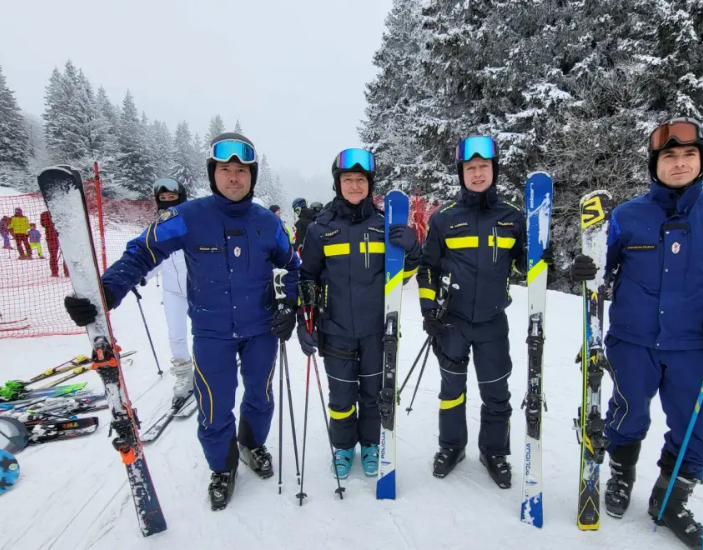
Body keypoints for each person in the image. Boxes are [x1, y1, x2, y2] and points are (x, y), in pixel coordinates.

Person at [62, 132, 300, 511]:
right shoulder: (188, 217)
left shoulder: (268, 224)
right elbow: (141, 252)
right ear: (213, 174)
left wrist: (290, 304)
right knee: (213, 404)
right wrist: (106, 290)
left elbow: (292, 267)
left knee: (261, 395)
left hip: (261, 329)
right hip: (211, 331)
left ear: (252, 176)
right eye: (226, 169)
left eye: (242, 170)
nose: (234, 177)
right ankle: (222, 467)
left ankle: (252, 444)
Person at [570, 117, 703, 548]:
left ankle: (671, 497)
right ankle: (621, 475)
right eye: (670, 156)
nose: (679, 164)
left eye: (688, 155)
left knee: (698, 427)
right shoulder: (626, 216)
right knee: (627, 414)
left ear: (702, 161)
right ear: (655, 164)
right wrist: (586, 268)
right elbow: (600, 269)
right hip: (633, 339)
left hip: (697, 345)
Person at [296, 148, 421, 478]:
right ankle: (342, 447)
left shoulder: (383, 226)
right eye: (347, 179)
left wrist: (412, 249)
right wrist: (304, 319)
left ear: (370, 184)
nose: (354, 185)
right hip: (335, 328)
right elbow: (306, 276)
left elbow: (402, 275)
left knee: (372, 395)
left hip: (376, 330)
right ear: (338, 184)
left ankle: (369, 443)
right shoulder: (320, 229)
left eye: (360, 179)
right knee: (341, 397)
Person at [417, 135, 527, 489]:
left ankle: (494, 451)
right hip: (453, 322)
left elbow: (529, 266)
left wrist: (546, 258)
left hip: (493, 321)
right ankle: (452, 446)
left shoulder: (512, 218)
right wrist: (428, 309)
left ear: (494, 170)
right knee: (452, 390)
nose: (477, 174)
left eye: (483, 167)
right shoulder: (445, 219)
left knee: (496, 392)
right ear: (461, 173)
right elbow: (428, 268)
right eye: (470, 168)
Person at [140, 178, 194, 403]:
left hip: (197, 287)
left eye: (172, 198)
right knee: (176, 335)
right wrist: (142, 276)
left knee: (204, 332)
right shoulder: (156, 229)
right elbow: (153, 257)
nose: (167, 203)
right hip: (172, 291)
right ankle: (184, 375)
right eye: (163, 199)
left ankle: (210, 368)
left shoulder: (192, 223)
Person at [40, 210, 68, 277]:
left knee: (65, 255)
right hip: (53, 237)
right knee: (54, 255)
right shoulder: (46, 214)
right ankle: (55, 272)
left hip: (60, 236)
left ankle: (66, 272)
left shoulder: (61, 213)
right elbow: (44, 224)